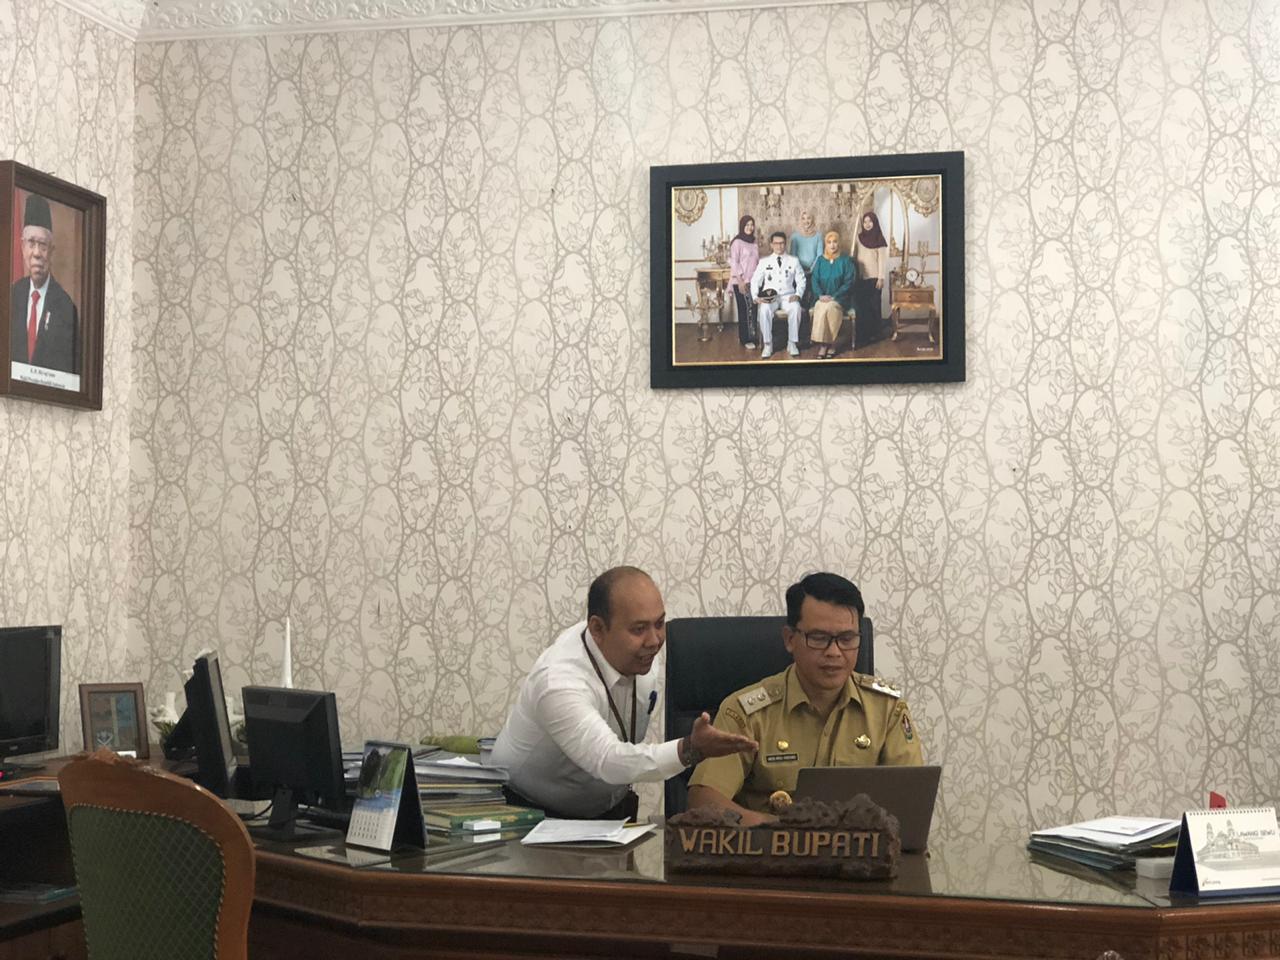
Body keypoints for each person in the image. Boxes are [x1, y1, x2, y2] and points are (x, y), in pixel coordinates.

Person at [492, 566, 758, 819]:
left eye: (659, 623)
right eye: (639, 629)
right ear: (598, 629)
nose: (654, 641)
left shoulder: (642, 656)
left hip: (607, 814)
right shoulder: (558, 681)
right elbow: (607, 760)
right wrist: (690, 749)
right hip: (528, 813)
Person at [686, 572, 923, 826]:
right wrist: (782, 831)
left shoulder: (887, 710)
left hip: (860, 849)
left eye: (847, 639)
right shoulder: (746, 713)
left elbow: (911, 800)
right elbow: (703, 801)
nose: (834, 652)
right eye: (819, 638)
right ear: (790, 639)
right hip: (771, 848)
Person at [9, 194, 78, 375]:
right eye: (31, 243)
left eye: (43, 245)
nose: (37, 253)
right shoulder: (10, 298)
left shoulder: (66, 309)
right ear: (22, 247)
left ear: (52, 252)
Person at [749, 231, 806, 359]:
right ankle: (768, 344)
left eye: (781, 243)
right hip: (770, 297)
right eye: (776, 243)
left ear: (785, 244)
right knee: (764, 310)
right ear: (771, 244)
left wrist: (798, 294)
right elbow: (755, 280)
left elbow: (801, 280)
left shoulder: (793, 261)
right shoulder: (764, 262)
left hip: (788, 295)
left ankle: (792, 343)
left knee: (796, 308)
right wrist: (755, 296)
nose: (779, 246)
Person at [809, 230, 855, 359]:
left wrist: (835, 296)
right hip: (822, 298)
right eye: (829, 242)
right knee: (821, 307)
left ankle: (831, 343)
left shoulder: (845, 260)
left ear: (838, 243)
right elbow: (814, 280)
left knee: (830, 307)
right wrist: (820, 295)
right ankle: (823, 345)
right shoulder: (820, 260)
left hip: (840, 298)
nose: (832, 245)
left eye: (835, 242)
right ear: (826, 244)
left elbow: (849, 282)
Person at [851, 211, 888, 349]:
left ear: (875, 222)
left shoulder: (880, 239)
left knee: (874, 306)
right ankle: (863, 335)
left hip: (874, 278)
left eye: (870, 221)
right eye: (865, 222)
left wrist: (881, 278)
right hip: (861, 277)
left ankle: (876, 334)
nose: (867, 224)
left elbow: (882, 261)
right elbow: (856, 256)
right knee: (862, 307)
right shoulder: (859, 238)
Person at [728, 215, 761, 350]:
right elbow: (734, 262)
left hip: (753, 281)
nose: (750, 227)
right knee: (744, 310)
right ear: (742, 226)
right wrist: (741, 281)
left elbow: (756, 262)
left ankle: (752, 336)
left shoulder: (754, 243)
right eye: (747, 225)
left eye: (752, 225)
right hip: (740, 281)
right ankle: (745, 339)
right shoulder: (737, 242)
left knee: (753, 309)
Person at [789, 209, 822, 312]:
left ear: (812, 220)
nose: (806, 221)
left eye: (808, 218)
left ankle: (812, 315)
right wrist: (801, 270)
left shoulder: (818, 236)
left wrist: (812, 269)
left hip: (814, 270)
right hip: (798, 270)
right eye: (803, 218)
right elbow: (793, 255)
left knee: (813, 295)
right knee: (800, 296)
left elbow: (819, 255)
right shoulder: (795, 236)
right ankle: (802, 316)